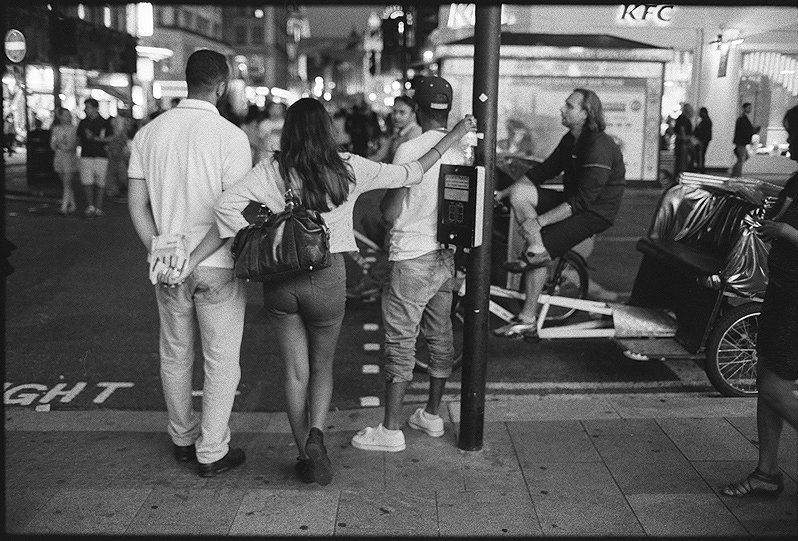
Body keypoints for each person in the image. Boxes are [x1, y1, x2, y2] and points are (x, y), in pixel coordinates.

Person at [215, 98, 476, 485]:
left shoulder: (273, 167)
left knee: (294, 373)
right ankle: (318, 436)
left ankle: (304, 451)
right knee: (322, 366)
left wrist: (272, 221)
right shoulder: (350, 167)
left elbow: (226, 205)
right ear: (327, 130)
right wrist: (454, 135)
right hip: (327, 276)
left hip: (280, 282)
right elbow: (413, 171)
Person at [127, 49, 252, 477]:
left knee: (175, 354)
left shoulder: (148, 134)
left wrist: (161, 251)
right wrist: (196, 257)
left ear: (186, 80)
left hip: (168, 266)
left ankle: (182, 437)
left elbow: (138, 206)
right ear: (222, 84)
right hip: (217, 264)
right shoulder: (231, 137)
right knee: (221, 360)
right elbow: (233, 215)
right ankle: (212, 448)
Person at [350, 76, 467, 452]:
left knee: (401, 341)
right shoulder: (463, 151)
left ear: (417, 108)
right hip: (445, 255)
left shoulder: (410, 150)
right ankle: (431, 414)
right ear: (447, 110)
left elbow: (390, 212)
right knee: (440, 335)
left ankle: (390, 429)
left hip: (410, 255)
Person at [493, 88, 625, 337]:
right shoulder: (570, 139)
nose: (562, 109)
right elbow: (541, 172)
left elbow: (584, 200)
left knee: (538, 254)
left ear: (586, 113)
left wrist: (538, 222)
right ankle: (536, 248)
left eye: (569, 106)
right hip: (573, 201)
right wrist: (502, 194)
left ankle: (528, 319)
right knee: (521, 193)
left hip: (594, 212)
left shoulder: (599, 146)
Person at [721, 104, 798, 499]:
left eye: (793, 131)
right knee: (764, 375)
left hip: (797, 299)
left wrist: (784, 230)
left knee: (772, 387)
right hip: (781, 291)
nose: (788, 141)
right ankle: (766, 472)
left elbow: (791, 227)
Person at [348, 95, 424, 300]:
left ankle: (375, 283)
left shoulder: (415, 136)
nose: (397, 116)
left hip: (403, 196)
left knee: (391, 241)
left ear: (414, 114)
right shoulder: (397, 135)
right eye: (395, 112)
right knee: (387, 240)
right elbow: (379, 157)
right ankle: (382, 283)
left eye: (402, 112)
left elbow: (402, 170)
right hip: (392, 192)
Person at [77, 98, 113, 218]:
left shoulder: (104, 122)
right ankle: (90, 206)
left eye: (89, 107)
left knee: (100, 182)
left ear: (96, 108)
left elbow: (111, 137)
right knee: (87, 182)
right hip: (86, 154)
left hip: (101, 155)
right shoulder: (83, 123)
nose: (86, 110)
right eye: (86, 107)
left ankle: (98, 207)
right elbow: (78, 138)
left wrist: (97, 139)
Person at [50, 107, 79, 215]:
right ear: (60, 116)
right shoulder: (56, 129)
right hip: (59, 157)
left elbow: (74, 144)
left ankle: (64, 206)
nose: (68, 117)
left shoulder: (74, 129)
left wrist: (63, 147)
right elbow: (52, 144)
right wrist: (58, 146)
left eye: (69, 115)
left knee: (67, 181)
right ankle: (72, 204)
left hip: (69, 157)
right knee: (65, 181)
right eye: (65, 115)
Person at [105, 114, 132, 199]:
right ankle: (117, 191)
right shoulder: (116, 133)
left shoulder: (120, 134)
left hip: (120, 157)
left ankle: (125, 192)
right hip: (115, 157)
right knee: (116, 175)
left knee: (122, 175)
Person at [732, 102, 760, 177]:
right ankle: (737, 175)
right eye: (748, 108)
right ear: (744, 108)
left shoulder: (743, 118)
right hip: (741, 142)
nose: (750, 109)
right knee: (742, 159)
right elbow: (744, 131)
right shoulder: (742, 119)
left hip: (741, 142)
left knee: (743, 158)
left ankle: (735, 173)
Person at [674, 103, 694, 177]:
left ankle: (679, 176)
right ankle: (681, 177)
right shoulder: (683, 119)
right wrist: (687, 138)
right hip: (683, 143)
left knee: (681, 162)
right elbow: (682, 131)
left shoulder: (681, 118)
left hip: (681, 143)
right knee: (682, 162)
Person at [694, 107, 712, 173]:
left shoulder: (705, 121)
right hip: (704, 140)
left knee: (701, 154)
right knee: (701, 155)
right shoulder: (706, 120)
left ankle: (700, 168)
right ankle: (701, 168)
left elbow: (701, 131)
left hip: (703, 141)